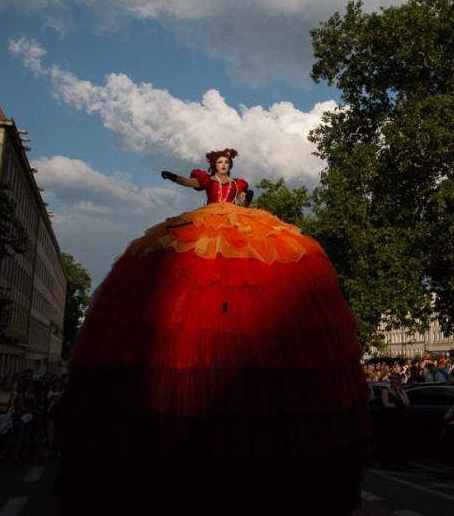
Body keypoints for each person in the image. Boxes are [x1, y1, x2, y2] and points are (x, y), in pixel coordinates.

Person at [57, 148, 369, 515]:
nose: (223, 168)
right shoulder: (205, 181)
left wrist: (244, 203)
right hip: (205, 224)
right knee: (202, 281)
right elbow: (193, 184)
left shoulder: (238, 185)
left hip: (241, 224)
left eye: (226, 164)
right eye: (219, 164)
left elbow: (242, 196)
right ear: (213, 166)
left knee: (252, 279)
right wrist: (172, 178)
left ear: (232, 169)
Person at [377, 373, 410, 468]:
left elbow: (407, 403)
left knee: (400, 440)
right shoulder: (385, 391)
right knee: (389, 440)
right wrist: (396, 406)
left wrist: (399, 392)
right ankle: (387, 461)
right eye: (392, 379)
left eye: (395, 379)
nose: (393, 381)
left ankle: (398, 461)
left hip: (400, 419)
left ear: (398, 380)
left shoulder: (402, 391)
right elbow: (386, 404)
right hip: (390, 419)